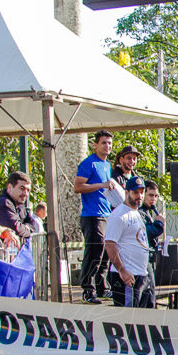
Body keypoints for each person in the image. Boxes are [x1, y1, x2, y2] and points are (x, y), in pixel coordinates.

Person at [104, 176, 152, 355]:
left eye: (141, 192)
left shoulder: (136, 213)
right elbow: (110, 244)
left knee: (136, 315)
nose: (139, 196)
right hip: (126, 274)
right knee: (127, 316)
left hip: (139, 273)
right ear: (127, 192)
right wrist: (122, 270)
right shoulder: (119, 215)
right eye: (135, 192)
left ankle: (134, 351)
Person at [74, 130, 121, 304]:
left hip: (106, 213)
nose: (107, 146)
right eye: (103, 143)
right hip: (92, 215)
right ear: (95, 144)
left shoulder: (107, 164)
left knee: (106, 252)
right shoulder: (89, 163)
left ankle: (102, 287)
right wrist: (101, 184)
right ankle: (87, 289)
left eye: (109, 143)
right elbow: (78, 187)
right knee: (94, 252)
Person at [138, 180, 166, 307]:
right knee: (146, 295)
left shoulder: (148, 211)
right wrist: (158, 224)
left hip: (149, 257)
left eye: (155, 196)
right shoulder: (139, 212)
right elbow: (145, 233)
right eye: (150, 195)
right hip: (141, 259)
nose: (153, 199)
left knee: (150, 294)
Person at [0, 171, 38, 240]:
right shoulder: (4, 203)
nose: (26, 194)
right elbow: (16, 229)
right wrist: (26, 228)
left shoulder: (20, 205)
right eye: (22, 188)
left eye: (28, 190)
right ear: (9, 187)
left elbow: (32, 225)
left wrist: (25, 228)